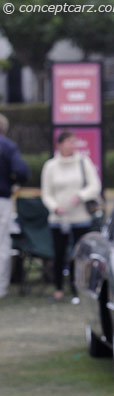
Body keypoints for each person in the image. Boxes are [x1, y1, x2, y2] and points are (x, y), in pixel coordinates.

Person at [40, 130, 102, 302]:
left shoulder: (84, 162)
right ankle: (59, 288)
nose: (72, 145)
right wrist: (55, 207)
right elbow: (46, 193)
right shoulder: (50, 166)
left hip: (81, 217)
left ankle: (79, 288)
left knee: (80, 255)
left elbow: (94, 186)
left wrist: (80, 196)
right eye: (69, 142)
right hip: (58, 219)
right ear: (59, 144)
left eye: (74, 142)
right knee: (59, 254)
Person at [0, 113, 31, 299]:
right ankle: (1, 287)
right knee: (2, 244)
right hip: (1, 199)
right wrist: (14, 183)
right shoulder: (8, 146)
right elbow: (21, 170)